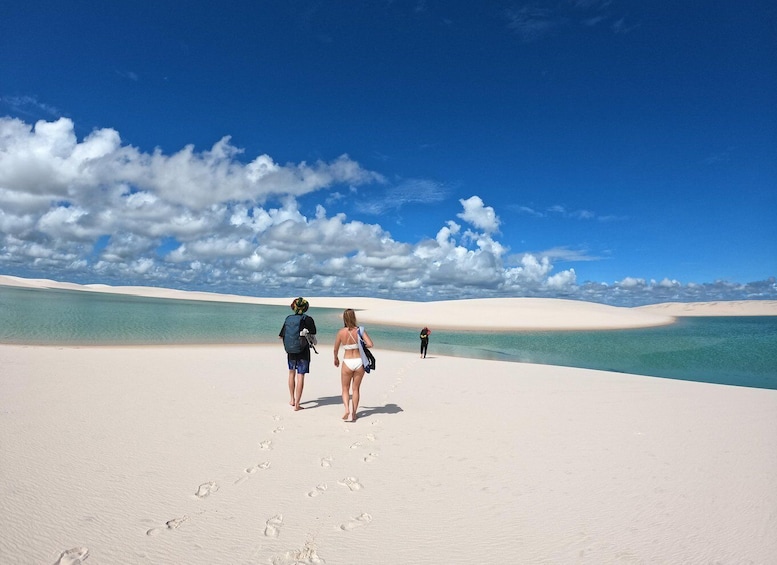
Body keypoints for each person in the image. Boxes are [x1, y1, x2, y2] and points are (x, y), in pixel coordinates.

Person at [333, 308, 374, 422]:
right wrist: (361, 344)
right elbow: (370, 344)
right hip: (359, 362)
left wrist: (335, 358)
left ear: (344, 318)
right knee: (356, 389)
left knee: (345, 389)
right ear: (354, 317)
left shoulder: (341, 332)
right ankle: (354, 414)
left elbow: (335, 349)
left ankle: (347, 409)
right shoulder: (360, 331)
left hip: (347, 362)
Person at [279, 297, 317, 411]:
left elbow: (281, 335)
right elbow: (314, 332)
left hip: (291, 350)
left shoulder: (288, 319)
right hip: (303, 350)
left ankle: (292, 399)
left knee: (291, 373)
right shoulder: (308, 319)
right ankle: (297, 404)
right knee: (300, 375)